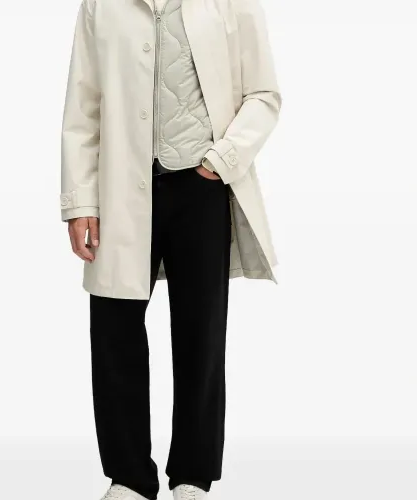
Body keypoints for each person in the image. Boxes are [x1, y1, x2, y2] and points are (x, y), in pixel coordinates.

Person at [60, 0, 282, 498]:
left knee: (201, 331)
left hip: (201, 186)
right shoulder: (100, 4)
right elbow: (83, 104)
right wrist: (80, 202)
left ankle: (192, 476)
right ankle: (129, 477)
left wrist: (221, 160)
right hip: (120, 187)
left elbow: (263, 94)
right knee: (114, 328)